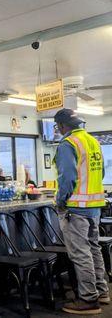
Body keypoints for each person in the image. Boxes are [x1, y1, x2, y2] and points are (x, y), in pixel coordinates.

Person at [53, 108, 108, 315]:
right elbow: (100, 172)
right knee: (93, 249)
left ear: (62, 126)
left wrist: (60, 201)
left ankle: (88, 299)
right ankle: (102, 292)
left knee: (81, 253)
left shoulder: (68, 144)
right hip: (94, 206)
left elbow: (67, 178)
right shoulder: (94, 141)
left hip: (75, 208)